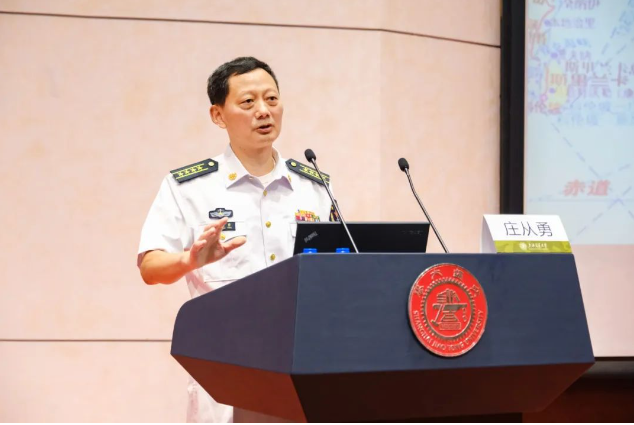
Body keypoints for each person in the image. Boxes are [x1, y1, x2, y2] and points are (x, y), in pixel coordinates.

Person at [137, 57, 337, 422]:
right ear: (218, 115)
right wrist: (189, 260)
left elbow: (336, 268)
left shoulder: (314, 186)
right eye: (248, 102)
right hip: (227, 372)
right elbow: (150, 267)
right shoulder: (190, 187)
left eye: (271, 99)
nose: (263, 111)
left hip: (303, 372)